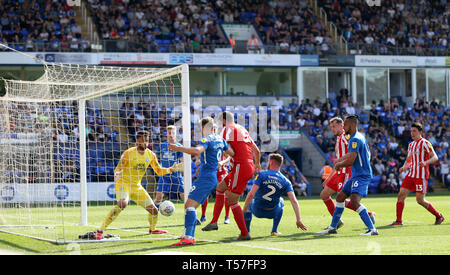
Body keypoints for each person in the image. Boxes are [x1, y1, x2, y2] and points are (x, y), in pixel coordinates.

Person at [93, 130, 183, 240]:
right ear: (137, 141)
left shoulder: (151, 154)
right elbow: (118, 168)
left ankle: (152, 229)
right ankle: (99, 231)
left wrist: (171, 169)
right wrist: (117, 173)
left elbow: (158, 171)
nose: (145, 143)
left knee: (154, 210)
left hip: (136, 186)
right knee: (122, 204)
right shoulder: (128, 153)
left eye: (147, 141)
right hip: (124, 183)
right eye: (143, 141)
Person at [169, 117, 234, 246]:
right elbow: (231, 153)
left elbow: (197, 151)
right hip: (213, 176)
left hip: (206, 178)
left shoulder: (206, 139)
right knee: (191, 206)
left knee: (189, 205)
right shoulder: (221, 140)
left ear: (205, 128)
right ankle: (188, 234)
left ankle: (188, 236)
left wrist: (178, 149)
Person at [202, 111, 262, 241]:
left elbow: (227, 150)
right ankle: (214, 222)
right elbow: (256, 150)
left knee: (232, 200)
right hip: (245, 166)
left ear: (224, 121)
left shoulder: (226, 130)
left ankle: (244, 233)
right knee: (220, 188)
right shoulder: (242, 129)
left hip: (240, 167)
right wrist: (257, 164)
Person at [317, 115, 378, 236]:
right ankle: (333, 226)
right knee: (334, 197)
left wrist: (340, 163)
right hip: (346, 172)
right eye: (331, 127)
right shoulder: (350, 137)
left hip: (350, 172)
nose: (333, 129)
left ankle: (371, 225)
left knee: (351, 200)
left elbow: (351, 158)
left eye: (335, 126)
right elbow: (350, 155)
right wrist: (336, 167)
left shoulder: (349, 138)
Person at [390, 122, 444, 226]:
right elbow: (409, 160)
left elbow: (435, 157)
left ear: (420, 132)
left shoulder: (425, 143)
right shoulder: (411, 145)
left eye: (414, 131)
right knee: (401, 195)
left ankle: (438, 216)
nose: (412, 133)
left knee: (420, 200)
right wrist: (404, 166)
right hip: (411, 175)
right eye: (411, 131)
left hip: (421, 176)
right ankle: (398, 221)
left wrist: (425, 162)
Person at [242, 153, 307, 236]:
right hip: (272, 212)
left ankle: (247, 231)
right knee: (281, 201)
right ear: (280, 164)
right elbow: (294, 200)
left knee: (250, 202)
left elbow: (251, 194)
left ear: (271, 162)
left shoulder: (261, 175)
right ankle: (274, 230)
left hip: (257, 210)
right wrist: (298, 220)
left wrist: (244, 209)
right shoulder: (285, 181)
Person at [198, 124, 232, 224]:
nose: (213, 131)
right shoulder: (208, 141)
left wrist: (223, 162)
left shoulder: (220, 141)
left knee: (226, 193)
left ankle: (227, 216)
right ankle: (203, 215)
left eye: (214, 129)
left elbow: (229, 156)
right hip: (211, 170)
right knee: (205, 192)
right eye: (211, 129)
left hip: (221, 170)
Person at [154, 125, 185, 207]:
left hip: (176, 175)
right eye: (169, 133)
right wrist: (157, 167)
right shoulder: (162, 145)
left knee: (184, 196)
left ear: (176, 134)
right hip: (164, 174)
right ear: (167, 134)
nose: (171, 135)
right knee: (158, 197)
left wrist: (181, 167)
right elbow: (155, 157)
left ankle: (191, 213)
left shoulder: (179, 146)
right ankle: (154, 215)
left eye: (173, 133)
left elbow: (182, 161)